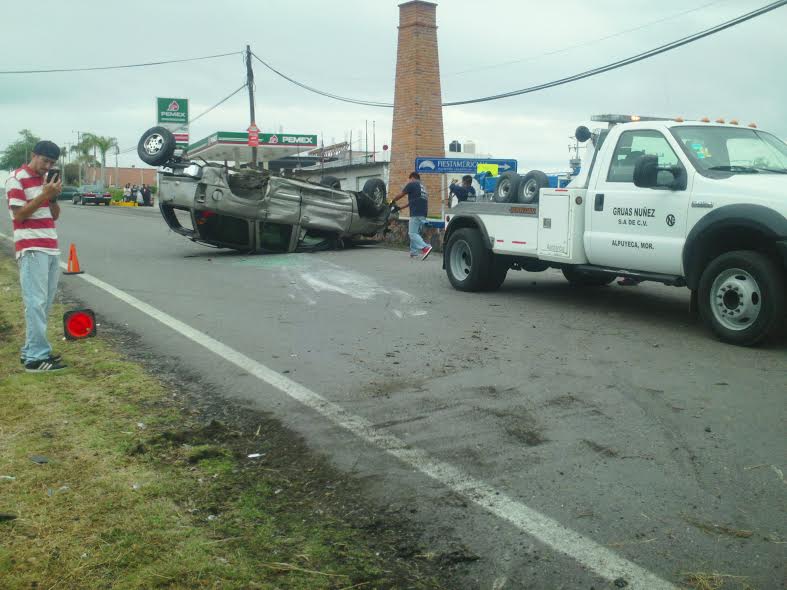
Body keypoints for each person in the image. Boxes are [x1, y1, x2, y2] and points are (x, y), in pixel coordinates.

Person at [6, 141, 67, 372]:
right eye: (45, 161)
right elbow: (19, 215)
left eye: (52, 163)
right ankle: (36, 358)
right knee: (35, 303)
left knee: (44, 303)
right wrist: (44, 195)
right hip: (31, 247)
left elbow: (55, 216)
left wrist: (52, 197)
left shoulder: (47, 181)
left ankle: (30, 351)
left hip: (50, 245)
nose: (47, 166)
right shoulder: (16, 178)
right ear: (34, 155)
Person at [390, 171, 432, 260]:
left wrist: (392, 201)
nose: (409, 181)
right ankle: (414, 253)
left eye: (409, 179)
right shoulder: (422, 187)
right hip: (423, 213)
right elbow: (412, 202)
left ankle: (425, 248)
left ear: (412, 178)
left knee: (412, 233)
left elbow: (401, 194)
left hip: (416, 213)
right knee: (415, 233)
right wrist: (400, 208)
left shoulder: (412, 184)